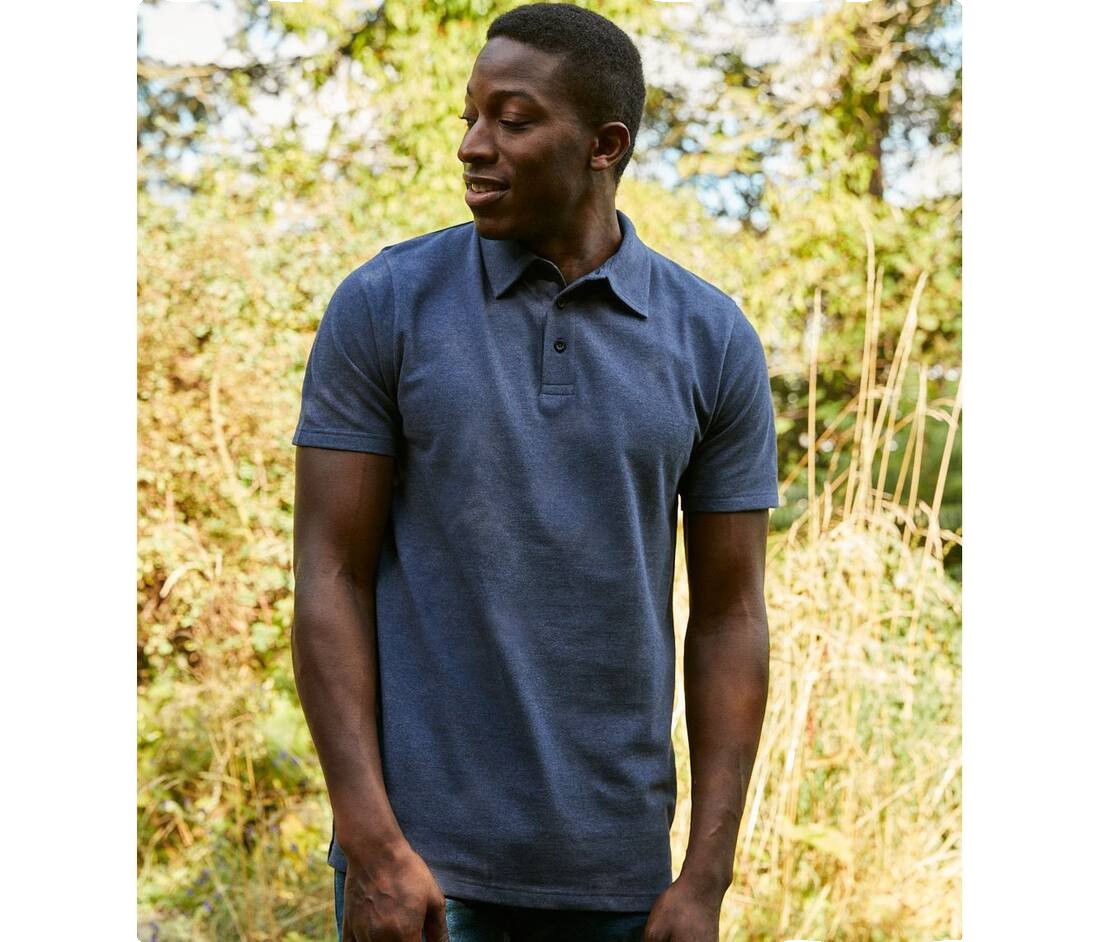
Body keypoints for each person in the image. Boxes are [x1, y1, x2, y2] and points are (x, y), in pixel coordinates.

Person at [290, 4, 779, 941]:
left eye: (512, 120)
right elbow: (329, 575)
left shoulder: (711, 339)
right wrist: (373, 846)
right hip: (424, 875)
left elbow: (731, 616)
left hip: (622, 884)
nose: (473, 146)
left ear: (604, 145)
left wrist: (705, 879)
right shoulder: (385, 304)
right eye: (471, 116)